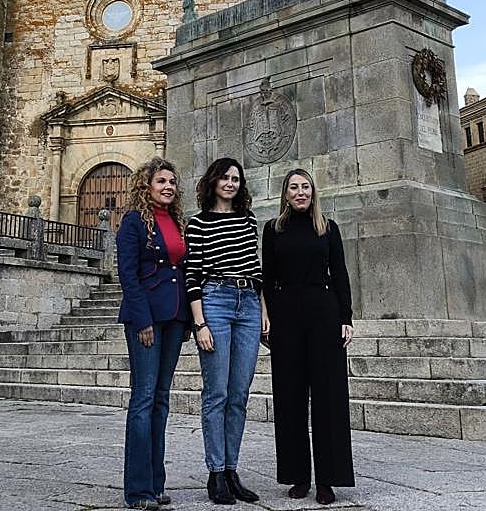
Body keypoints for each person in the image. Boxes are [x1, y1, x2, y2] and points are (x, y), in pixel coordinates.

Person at [262, 169, 353, 505]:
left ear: (313, 192)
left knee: (329, 396)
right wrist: (266, 315)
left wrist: (346, 318)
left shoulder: (328, 228)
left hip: (323, 313)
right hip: (285, 315)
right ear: (285, 194)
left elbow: (340, 273)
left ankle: (328, 478)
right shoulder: (273, 229)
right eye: (294, 187)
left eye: (305, 187)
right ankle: (297, 475)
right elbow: (268, 276)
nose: (300, 192)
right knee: (289, 396)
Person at [184, 158, 263, 505]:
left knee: (239, 394)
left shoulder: (248, 220)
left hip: (249, 304)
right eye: (225, 178)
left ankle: (232, 470)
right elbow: (192, 275)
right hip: (214, 301)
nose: (231, 183)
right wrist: (199, 323)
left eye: (236, 179)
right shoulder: (198, 223)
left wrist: (264, 313)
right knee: (216, 393)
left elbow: (256, 269)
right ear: (213, 181)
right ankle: (216, 472)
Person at [116, 157, 190, 511]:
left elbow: (182, 272)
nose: (168, 187)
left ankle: (156, 484)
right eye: (161, 181)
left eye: (172, 182)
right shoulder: (133, 221)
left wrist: (187, 320)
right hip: (145, 319)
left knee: (161, 399)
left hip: (174, 318)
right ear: (147, 185)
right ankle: (137, 490)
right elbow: (127, 275)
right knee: (143, 399)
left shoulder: (176, 221)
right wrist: (142, 320)